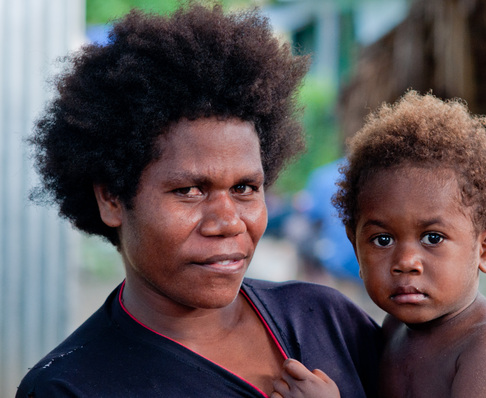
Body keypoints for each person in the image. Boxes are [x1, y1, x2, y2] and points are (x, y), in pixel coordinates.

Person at [16, 3, 381, 397]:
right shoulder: (70, 388)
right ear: (111, 199)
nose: (228, 222)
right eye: (189, 191)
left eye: (244, 188)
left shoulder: (325, 320)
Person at [270, 91, 486, 397]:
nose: (406, 261)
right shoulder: (394, 331)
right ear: (356, 247)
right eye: (383, 239)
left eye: (433, 238)